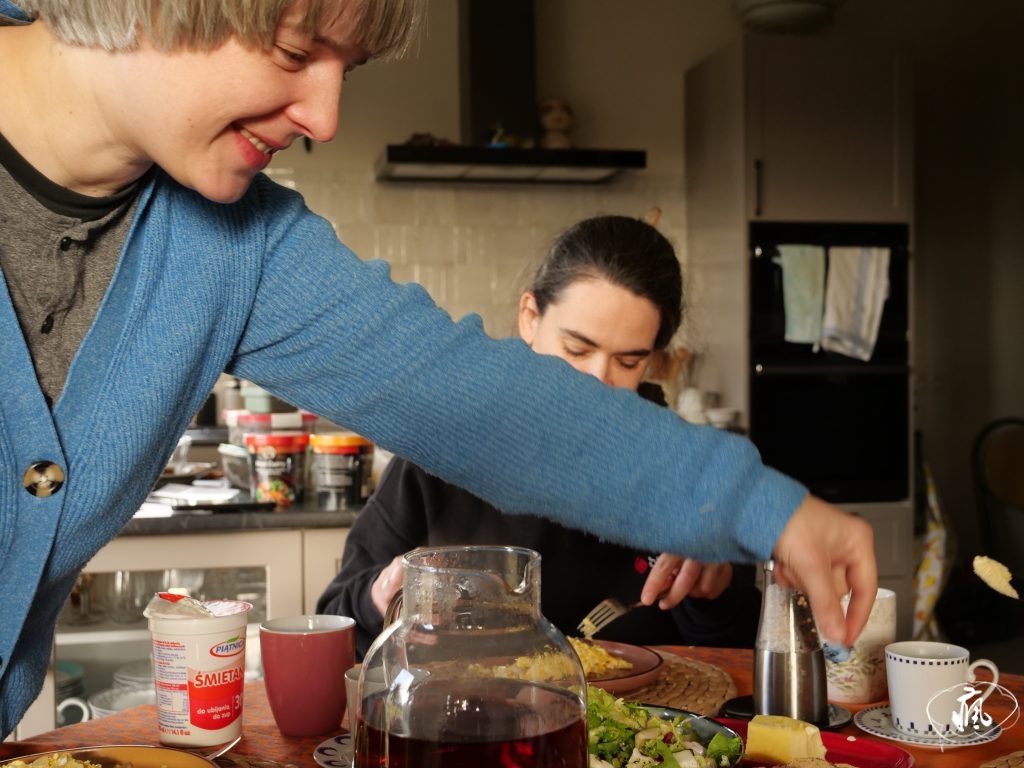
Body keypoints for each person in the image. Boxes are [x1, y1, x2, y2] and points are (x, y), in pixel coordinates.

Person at [0, 0, 875, 737]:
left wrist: (766, 507)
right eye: (296, 50)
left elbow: (492, 409)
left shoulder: (237, 245)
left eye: (350, 70)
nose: (325, 116)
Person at [319, 215, 763, 655]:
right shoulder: (444, 449)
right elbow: (336, 621)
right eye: (577, 349)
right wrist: (387, 592)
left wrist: (714, 589)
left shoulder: (685, 468)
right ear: (530, 318)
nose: (596, 381)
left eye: (628, 362)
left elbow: (738, 650)